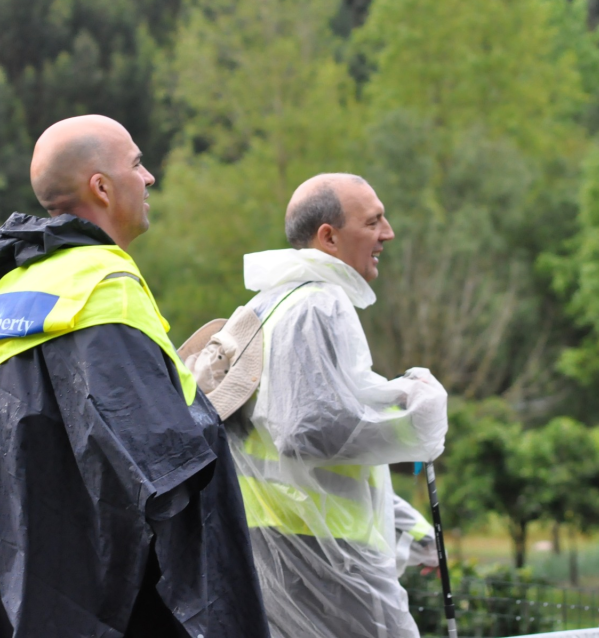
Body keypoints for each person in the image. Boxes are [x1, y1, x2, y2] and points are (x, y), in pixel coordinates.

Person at [0, 115, 270, 638]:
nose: (149, 176)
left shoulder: (10, 291)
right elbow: (161, 460)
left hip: (20, 584)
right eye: (136, 163)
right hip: (103, 595)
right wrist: (203, 415)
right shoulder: (105, 282)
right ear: (101, 187)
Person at [185, 173, 448, 637]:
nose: (388, 233)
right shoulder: (318, 304)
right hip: (326, 548)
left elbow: (299, 427)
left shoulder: (271, 303)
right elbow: (312, 429)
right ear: (328, 237)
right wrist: (415, 420)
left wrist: (411, 526)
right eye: (374, 222)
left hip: (279, 541)